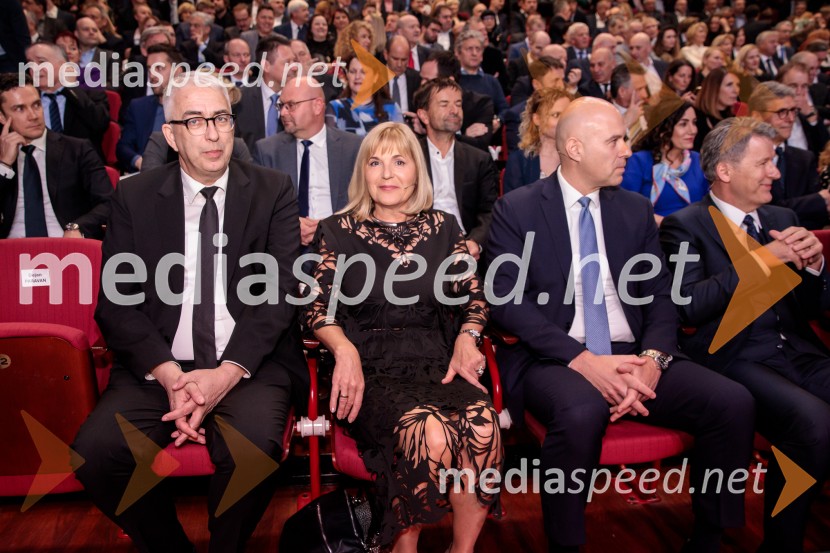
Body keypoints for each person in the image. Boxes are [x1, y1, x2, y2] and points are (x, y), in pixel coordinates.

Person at [485, 96, 755, 553]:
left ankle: (711, 536)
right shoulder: (519, 208)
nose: (626, 151)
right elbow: (507, 303)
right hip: (553, 357)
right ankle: (565, 544)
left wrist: (652, 361)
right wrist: (584, 360)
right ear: (574, 147)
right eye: (613, 141)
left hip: (633, 351)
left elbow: (659, 296)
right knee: (581, 409)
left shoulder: (631, 209)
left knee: (732, 402)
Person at [72, 71, 307, 553]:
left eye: (220, 118)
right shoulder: (133, 197)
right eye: (195, 121)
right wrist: (170, 375)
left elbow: (279, 292)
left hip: (247, 365)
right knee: (95, 455)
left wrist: (223, 373)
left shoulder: (273, 189)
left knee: (253, 451)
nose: (213, 132)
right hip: (158, 368)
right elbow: (117, 303)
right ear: (172, 135)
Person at [303, 121, 502, 552]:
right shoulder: (337, 230)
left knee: (483, 427)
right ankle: (401, 546)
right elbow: (317, 308)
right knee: (428, 433)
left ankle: (461, 550)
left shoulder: (444, 226)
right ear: (363, 172)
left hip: (436, 362)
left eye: (399, 161)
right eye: (375, 162)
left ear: (417, 171)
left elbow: (475, 298)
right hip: (370, 371)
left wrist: (468, 338)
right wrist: (344, 350)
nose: (387, 173)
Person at [660, 116, 830, 553]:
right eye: (764, 163)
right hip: (735, 357)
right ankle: (782, 544)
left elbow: (810, 309)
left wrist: (814, 267)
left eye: (773, 162)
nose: (775, 172)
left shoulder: (783, 215)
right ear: (725, 172)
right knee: (811, 422)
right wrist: (765, 258)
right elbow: (689, 306)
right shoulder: (686, 225)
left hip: (797, 350)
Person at [254, 76, 362, 246]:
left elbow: (365, 204)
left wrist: (330, 228)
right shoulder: (268, 151)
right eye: (281, 106)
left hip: (342, 246)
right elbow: (259, 209)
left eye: (291, 105)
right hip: (288, 249)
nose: (283, 112)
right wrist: (290, 225)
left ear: (317, 105)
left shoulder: (353, 148)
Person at [0, 74, 111, 239]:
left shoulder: (77, 149)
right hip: (10, 252)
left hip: (64, 248)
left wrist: (77, 227)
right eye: (20, 109)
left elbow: (109, 202)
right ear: (2, 117)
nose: (33, 115)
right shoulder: (2, 159)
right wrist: (4, 165)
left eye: (36, 105)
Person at [413, 78, 498, 260]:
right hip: (419, 248)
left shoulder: (478, 159)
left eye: (458, 104)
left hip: (466, 246)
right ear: (424, 115)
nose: (454, 111)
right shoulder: (408, 158)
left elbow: (489, 211)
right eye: (444, 104)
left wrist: (475, 242)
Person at [748, 81, 828, 230]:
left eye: (793, 111)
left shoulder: (805, 158)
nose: (791, 119)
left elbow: (819, 216)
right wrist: (814, 201)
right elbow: (758, 209)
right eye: (782, 112)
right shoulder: (744, 158)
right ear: (757, 116)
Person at [621, 96, 707, 223]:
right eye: (683, 124)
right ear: (663, 129)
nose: (693, 130)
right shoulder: (639, 162)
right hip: (654, 235)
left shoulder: (698, 160)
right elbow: (626, 208)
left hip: (690, 238)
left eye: (694, 122)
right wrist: (669, 226)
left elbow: (709, 205)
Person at [504, 88, 573, 194]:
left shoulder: (580, 157)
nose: (564, 120)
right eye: (556, 115)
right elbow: (512, 207)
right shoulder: (519, 161)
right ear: (537, 119)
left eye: (567, 114)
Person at [327, 55, 403, 136]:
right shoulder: (335, 107)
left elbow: (401, 144)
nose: (357, 76)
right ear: (347, 76)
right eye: (353, 71)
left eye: (363, 72)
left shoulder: (392, 108)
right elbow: (331, 144)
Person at [693, 68, 742, 151]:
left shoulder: (733, 119)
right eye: (729, 85)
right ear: (714, 88)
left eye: (737, 85)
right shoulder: (696, 118)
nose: (736, 90)